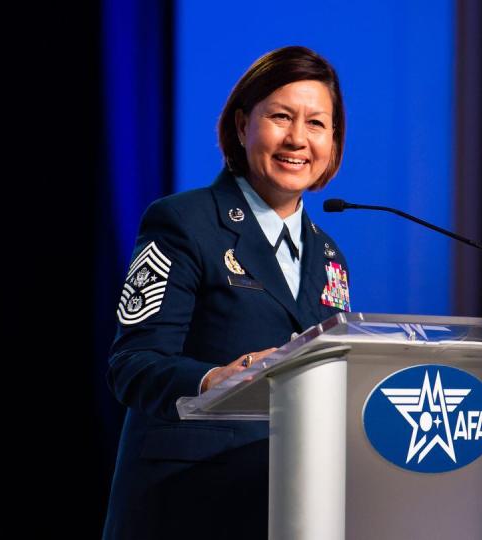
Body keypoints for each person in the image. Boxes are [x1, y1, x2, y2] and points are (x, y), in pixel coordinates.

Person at [102, 46, 351, 540]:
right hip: (186, 503)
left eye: (317, 124)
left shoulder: (329, 257)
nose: (298, 138)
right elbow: (132, 365)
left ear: (334, 142)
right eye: (281, 117)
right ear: (242, 126)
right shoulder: (183, 221)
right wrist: (218, 379)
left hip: (290, 506)